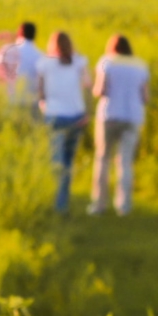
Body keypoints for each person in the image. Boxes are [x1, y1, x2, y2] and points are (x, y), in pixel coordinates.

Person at [89, 33, 150, 215]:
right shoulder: (140, 65)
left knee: (103, 159)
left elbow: (99, 90)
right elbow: (145, 97)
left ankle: (99, 204)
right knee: (125, 161)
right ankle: (124, 206)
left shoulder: (107, 62)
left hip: (109, 115)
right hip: (132, 117)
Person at [37, 30, 92, 214]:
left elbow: (41, 92)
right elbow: (88, 88)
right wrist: (88, 113)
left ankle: (58, 203)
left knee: (57, 162)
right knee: (68, 162)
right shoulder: (80, 61)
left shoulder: (44, 63)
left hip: (54, 116)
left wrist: (43, 107)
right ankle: (63, 202)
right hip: (76, 115)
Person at [0, 20, 45, 113]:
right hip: (31, 104)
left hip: (10, 101)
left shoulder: (6, 50)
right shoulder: (41, 56)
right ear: (34, 35)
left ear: (19, 33)